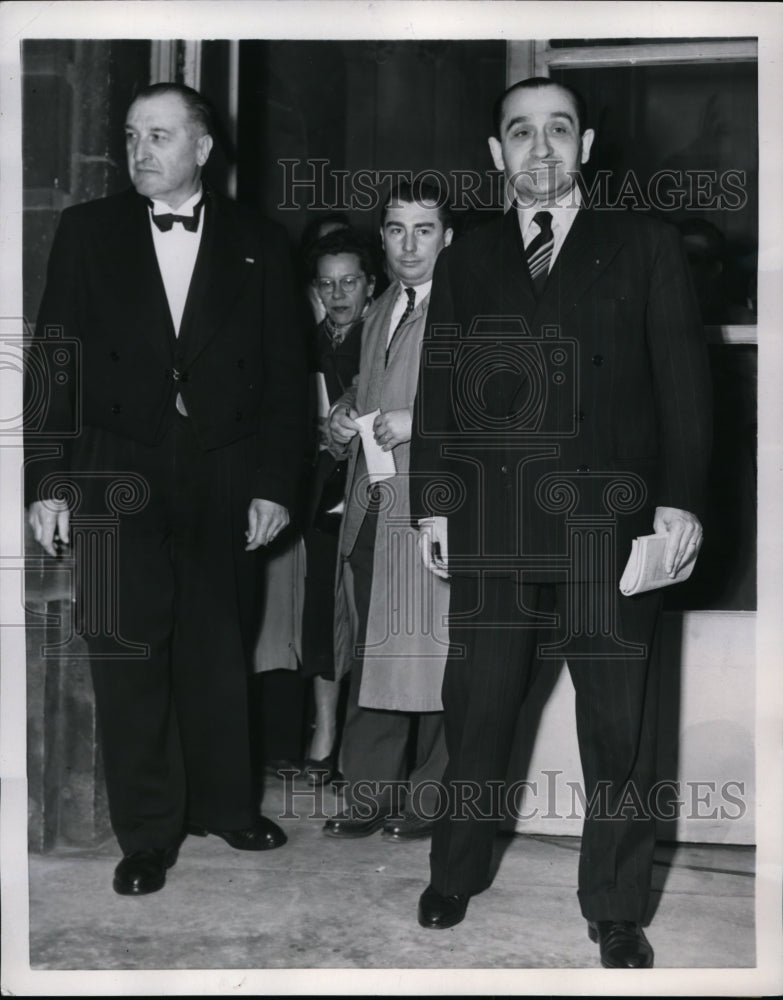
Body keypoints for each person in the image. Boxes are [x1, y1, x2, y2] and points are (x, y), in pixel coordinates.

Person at [408, 78, 712, 967]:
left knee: (619, 725)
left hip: (609, 527)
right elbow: (440, 389)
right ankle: (454, 871)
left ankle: (615, 904)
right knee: (479, 708)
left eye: (558, 131)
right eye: (520, 134)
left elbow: (686, 387)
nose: (540, 151)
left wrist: (682, 500)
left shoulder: (645, 244)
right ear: (494, 153)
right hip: (495, 523)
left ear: (585, 145)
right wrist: (434, 502)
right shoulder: (467, 257)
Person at [25, 82, 307, 896]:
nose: (139, 152)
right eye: (130, 136)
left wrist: (274, 484)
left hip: (223, 465)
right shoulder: (88, 232)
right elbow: (54, 362)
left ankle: (225, 805)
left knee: (217, 644)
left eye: (159, 136)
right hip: (114, 463)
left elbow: (288, 375)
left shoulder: (258, 240)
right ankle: (146, 834)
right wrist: (46, 480)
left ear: (203, 149)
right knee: (127, 649)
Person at [323, 180, 453, 841]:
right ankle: (365, 797)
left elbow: (499, 409)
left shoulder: (469, 310)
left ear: (446, 237)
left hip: (431, 507)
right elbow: (362, 389)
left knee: (431, 659)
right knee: (372, 654)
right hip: (371, 505)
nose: (408, 244)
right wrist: (341, 420)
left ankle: (429, 804)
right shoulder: (378, 311)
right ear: (382, 239)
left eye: (423, 229)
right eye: (396, 230)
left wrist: (418, 421)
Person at [300, 228, 376, 783]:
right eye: (327, 284)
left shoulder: (383, 336)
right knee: (323, 621)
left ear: (371, 285)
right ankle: (324, 738)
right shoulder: (303, 341)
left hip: (374, 494)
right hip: (318, 494)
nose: (339, 293)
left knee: (371, 621)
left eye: (349, 281)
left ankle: (364, 748)